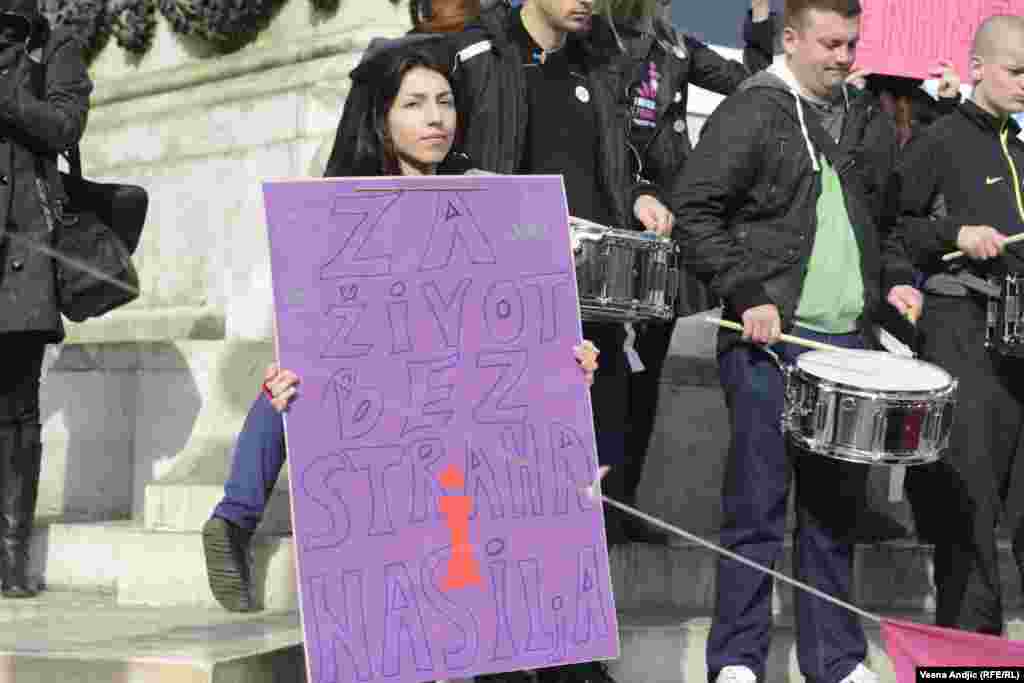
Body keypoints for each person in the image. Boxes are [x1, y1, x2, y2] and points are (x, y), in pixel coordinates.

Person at [202, 38, 601, 612]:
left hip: (445, 392)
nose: (436, 118)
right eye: (414, 105)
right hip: (366, 387)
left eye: (444, 101)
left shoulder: (487, 195)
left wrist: (562, 358)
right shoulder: (340, 203)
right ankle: (234, 520)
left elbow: (505, 320)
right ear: (382, 121)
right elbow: (319, 323)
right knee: (289, 379)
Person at [669, 0, 923, 681]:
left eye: (852, 44)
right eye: (831, 43)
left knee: (833, 511)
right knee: (755, 505)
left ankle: (834, 659)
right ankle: (737, 660)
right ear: (791, 39)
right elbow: (694, 210)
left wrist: (896, 278)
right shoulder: (754, 108)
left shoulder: (866, 117)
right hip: (769, 343)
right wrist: (746, 290)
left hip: (849, 346)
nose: (844, 57)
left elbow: (888, 222)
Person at [594, 0, 775, 545]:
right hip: (608, 225)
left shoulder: (676, 45)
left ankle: (623, 503)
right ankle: (589, 506)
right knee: (602, 375)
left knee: (646, 375)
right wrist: (633, 194)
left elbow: (752, 82)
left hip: (664, 239)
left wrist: (762, 19)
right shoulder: (595, 40)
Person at [894, 14, 1024, 637]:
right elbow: (895, 228)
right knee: (969, 512)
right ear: (977, 67)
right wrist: (955, 233)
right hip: (962, 329)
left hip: (1020, 340)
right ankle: (972, 660)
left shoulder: (1021, 150)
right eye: (1015, 70)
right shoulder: (941, 139)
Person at [0, 0, 91, 598]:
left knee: (14, 406)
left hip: (23, 252)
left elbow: (64, 128)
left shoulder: (50, 46)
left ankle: (11, 556)